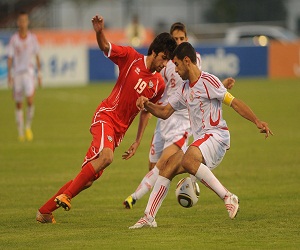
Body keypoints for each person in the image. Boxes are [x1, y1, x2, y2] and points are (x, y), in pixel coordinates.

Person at [35, 14, 177, 224]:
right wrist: (99, 31)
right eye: (164, 58)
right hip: (106, 117)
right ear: (154, 52)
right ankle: (66, 196)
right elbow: (106, 47)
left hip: (118, 133)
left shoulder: (158, 84)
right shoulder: (130, 58)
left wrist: (137, 140)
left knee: (88, 179)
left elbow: (147, 111)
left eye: (168, 60)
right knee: (107, 157)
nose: (164, 64)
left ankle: (44, 212)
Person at [129, 42, 273, 229]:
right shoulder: (184, 89)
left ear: (187, 61)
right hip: (200, 142)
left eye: (177, 64)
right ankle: (149, 217)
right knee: (167, 166)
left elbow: (234, 102)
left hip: (217, 138)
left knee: (188, 160)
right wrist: (147, 104)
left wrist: (257, 121)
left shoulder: (209, 81)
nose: (176, 70)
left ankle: (228, 196)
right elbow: (164, 112)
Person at [123, 22, 235, 209]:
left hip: (182, 119)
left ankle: (134, 197)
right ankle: (152, 207)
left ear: (186, 40)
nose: (178, 41)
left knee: (164, 165)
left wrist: (221, 86)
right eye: (175, 39)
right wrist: (148, 104)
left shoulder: (191, 59)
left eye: (181, 39)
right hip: (165, 115)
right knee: (155, 168)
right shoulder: (166, 63)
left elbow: (200, 83)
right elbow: (161, 92)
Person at [7, 11, 42, 142]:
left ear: (28, 22)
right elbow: (10, 57)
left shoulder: (32, 38)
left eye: (25, 21)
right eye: (20, 21)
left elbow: (37, 55)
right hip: (17, 74)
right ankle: (20, 131)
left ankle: (28, 127)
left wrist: (39, 74)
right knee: (19, 104)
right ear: (18, 23)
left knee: (30, 101)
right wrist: (9, 74)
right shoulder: (14, 39)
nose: (23, 23)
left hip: (28, 73)